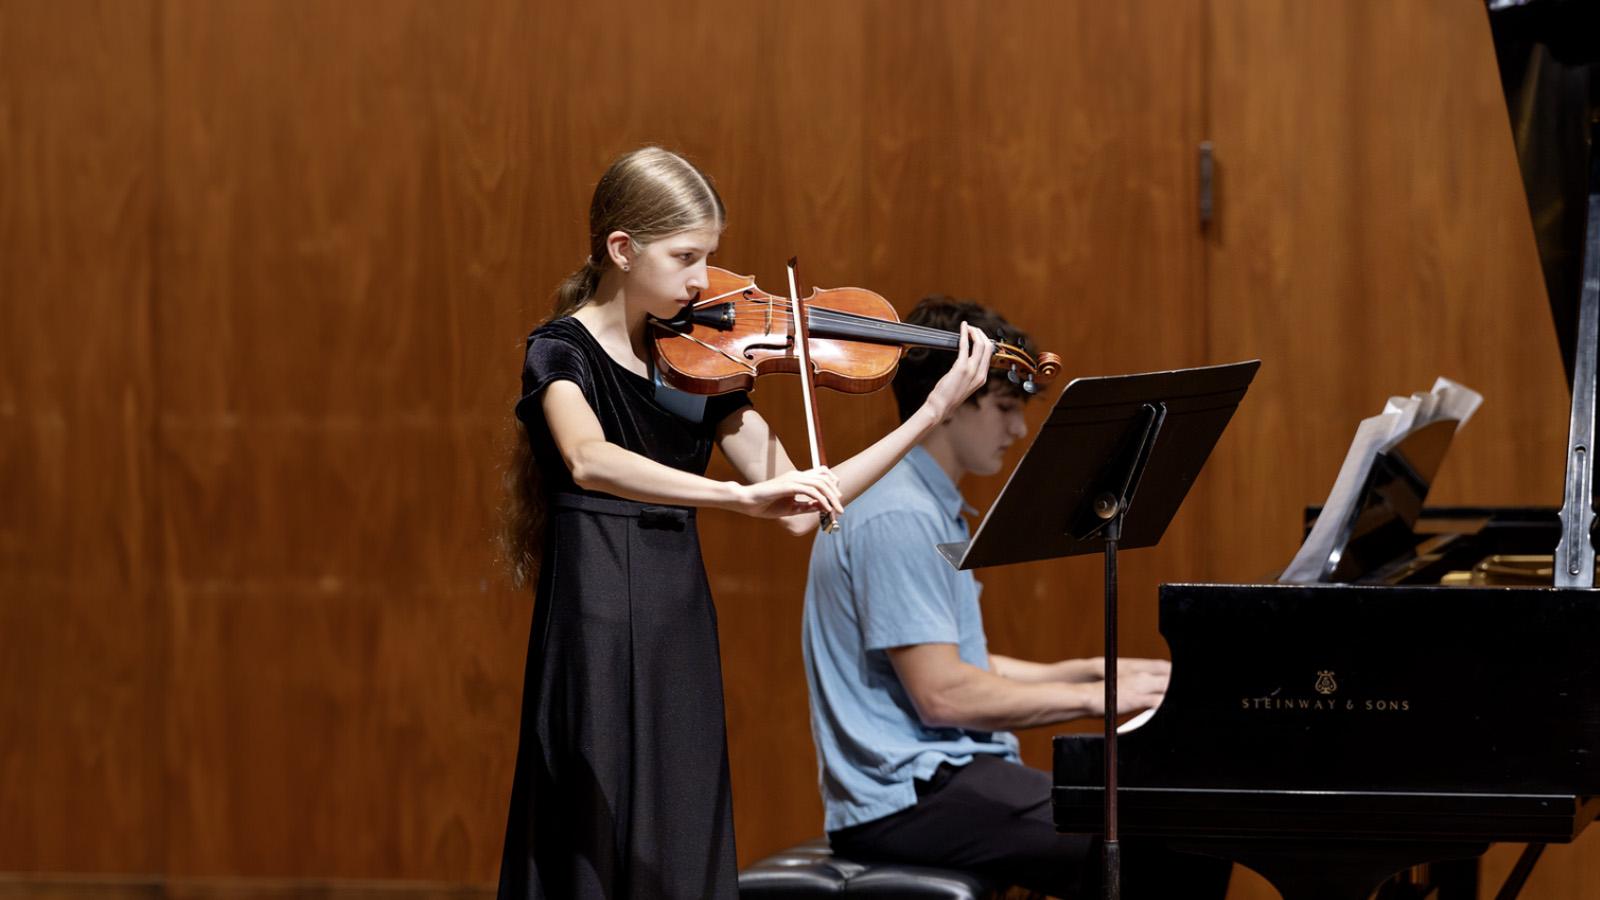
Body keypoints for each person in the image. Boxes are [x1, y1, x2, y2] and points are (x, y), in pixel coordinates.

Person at [496, 147, 997, 900]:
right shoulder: (558, 350)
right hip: (594, 615)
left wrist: (929, 415)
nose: (703, 281)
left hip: (676, 619)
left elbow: (800, 502)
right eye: (686, 256)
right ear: (623, 250)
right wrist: (730, 500)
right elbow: (589, 459)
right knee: (593, 837)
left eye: (710, 257)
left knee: (680, 826)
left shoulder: (696, 360)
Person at [801, 296, 1231, 898]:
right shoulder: (898, 513)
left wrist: (1095, 669)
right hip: (908, 800)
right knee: (1164, 840)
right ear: (949, 405)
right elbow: (943, 696)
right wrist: (1100, 696)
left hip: (945, 781)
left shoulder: (926, 504)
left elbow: (959, 665)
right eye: (1003, 407)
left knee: (1177, 827)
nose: (1019, 429)